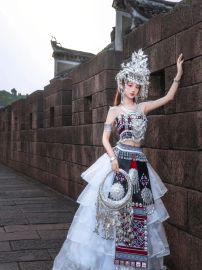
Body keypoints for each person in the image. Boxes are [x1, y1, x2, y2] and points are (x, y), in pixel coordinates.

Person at [52, 48, 184, 270]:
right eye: (130, 85)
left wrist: (178, 73)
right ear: (122, 85)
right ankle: (113, 263)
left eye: (137, 86)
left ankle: (133, 262)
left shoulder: (143, 107)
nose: (134, 89)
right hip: (119, 161)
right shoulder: (114, 111)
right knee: (115, 211)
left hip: (139, 164)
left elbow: (169, 97)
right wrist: (112, 158)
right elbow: (104, 139)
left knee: (139, 212)